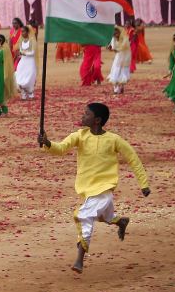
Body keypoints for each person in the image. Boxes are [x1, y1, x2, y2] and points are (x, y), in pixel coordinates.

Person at [39, 102, 150, 273]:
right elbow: (60, 148)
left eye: (86, 114)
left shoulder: (114, 140)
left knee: (84, 216)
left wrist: (144, 184)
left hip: (104, 189)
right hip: (87, 189)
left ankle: (79, 260)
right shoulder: (80, 136)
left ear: (97, 120)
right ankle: (121, 221)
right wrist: (47, 142)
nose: (83, 116)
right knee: (104, 217)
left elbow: (133, 158)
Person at [14, 26, 38, 101]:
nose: (22, 33)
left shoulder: (32, 41)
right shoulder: (21, 41)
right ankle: (23, 94)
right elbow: (21, 51)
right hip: (23, 62)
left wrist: (23, 53)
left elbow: (33, 53)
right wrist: (20, 54)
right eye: (21, 31)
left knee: (29, 77)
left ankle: (30, 94)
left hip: (30, 62)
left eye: (24, 31)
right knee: (20, 76)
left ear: (28, 32)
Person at [107, 26, 131, 94]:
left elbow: (123, 47)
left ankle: (121, 86)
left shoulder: (125, 38)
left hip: (126, 56)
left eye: (117, 33)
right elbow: (114, 48)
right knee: (116, 70)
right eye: (114, 34)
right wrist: (110, 48)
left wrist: (115, 49)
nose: (116, 35)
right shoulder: (113, 38)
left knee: (123, 71)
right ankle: (116, 87)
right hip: (118, 56)